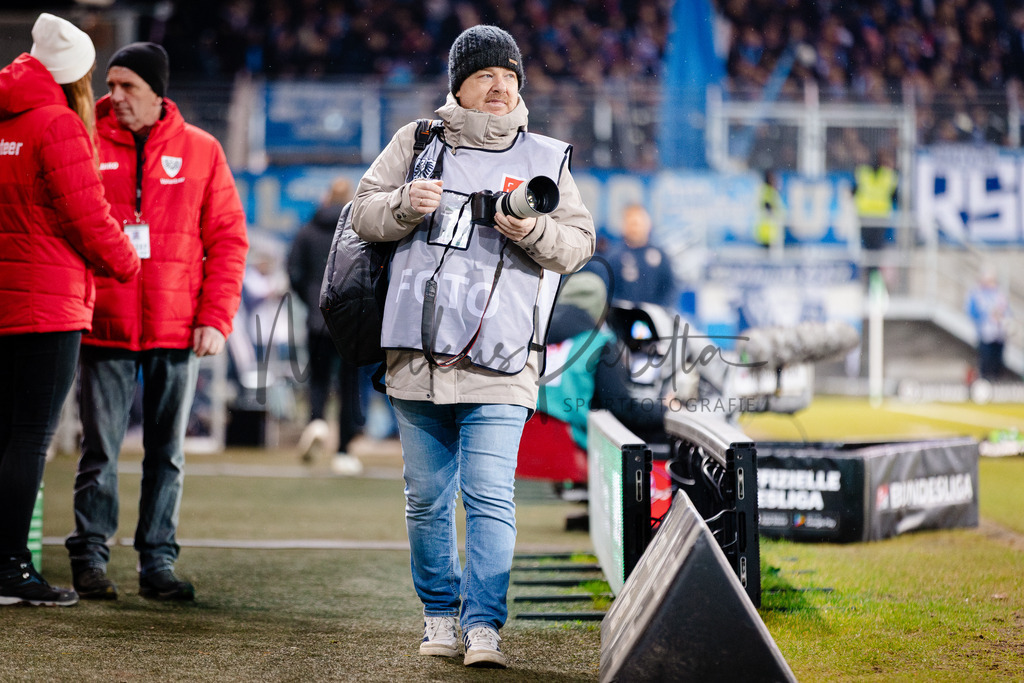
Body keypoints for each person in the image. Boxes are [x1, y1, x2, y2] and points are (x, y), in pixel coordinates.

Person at [350, 25, 595, 668]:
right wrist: (405, 203)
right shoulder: (416, 141)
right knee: (427, 498)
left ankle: (483, 624)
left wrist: (532, 228)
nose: (500, 86)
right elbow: (362, 213)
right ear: (458, 83)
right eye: (486, 74)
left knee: (489, 493)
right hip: (417, 356)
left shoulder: (546, 155)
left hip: (504, 357)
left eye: (510, 76)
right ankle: (439, 613)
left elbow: (578, 245)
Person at [65, 42, 249, 602]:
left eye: (128, 87)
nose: (114, 96)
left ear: (157, 92)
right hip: (104, 325)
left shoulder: (202, 150)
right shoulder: (84, 141)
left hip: (178, 328)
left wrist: (216, 317)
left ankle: (157, 562)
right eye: (111, 84)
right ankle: (90, 556)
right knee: (99, 450)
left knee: (167, 453)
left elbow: (227, 240)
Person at [0, 13, 141, 607]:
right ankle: (9, 566)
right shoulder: (57, 123)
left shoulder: (8, 117)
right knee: (29, 438)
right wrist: (128, 263)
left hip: (9, 296)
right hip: (46, 303)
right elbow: (87, 216)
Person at [287, 177, 365, 475]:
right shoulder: (359, 231)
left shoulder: (307, 232)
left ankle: (317, 421)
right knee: (349, 385)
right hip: (351, 323)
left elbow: (294, 272)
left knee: (318, 380)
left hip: (317, 320)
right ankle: (344, 450)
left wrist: (312, 301)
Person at [538, 271, 668, 448]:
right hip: (575, 450)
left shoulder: (535, 336)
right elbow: (623, 408)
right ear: (599, 307)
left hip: (530, 452)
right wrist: (665, 410)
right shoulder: (598, 344)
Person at [606, 203, 677, 308]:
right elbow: (608, 290)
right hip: (622, 318)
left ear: (648, 225)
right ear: (624, 225)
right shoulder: (614, 257)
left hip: (654, 317)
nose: (635, 228)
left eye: (638, 223)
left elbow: (670, 288)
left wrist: (659, 310)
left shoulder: (660, 256)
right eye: (631, 223)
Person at [966, 267, 1013, 382]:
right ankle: (985, 384)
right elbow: (973, 312)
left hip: (999, 334)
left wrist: (1003, 319)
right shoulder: (977, 294)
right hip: (986, 334)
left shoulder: (999, 295)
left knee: (998, 361)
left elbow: (1008, 311)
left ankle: (996, 384)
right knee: (986, 362)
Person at [853, 150, 899, 251]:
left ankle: (870, 266)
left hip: (866, 215)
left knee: (867, 245)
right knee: (875, 246)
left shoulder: (862, 172)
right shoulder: (890, 176)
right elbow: (895, 197)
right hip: (878, 216)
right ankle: (872, 266)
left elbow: (854, 192)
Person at [754, 169, 785, 249]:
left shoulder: (771, 191)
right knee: (766, 256)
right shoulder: (767, 191)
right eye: (773, 178)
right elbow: (767, 206)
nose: (775, 180)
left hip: (771, 232)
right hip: (767, 232)